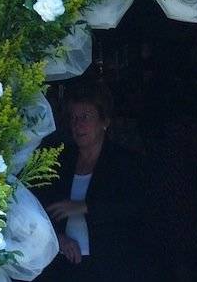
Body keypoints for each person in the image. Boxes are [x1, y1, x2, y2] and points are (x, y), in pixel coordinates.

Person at [36, 89, 146, 282]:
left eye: (85, 117)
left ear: (105, 122)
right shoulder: (61, 161)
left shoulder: (123, 162)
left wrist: (85, 206)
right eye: (73, 118)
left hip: (112, 265)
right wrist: (58, 238)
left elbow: (134, 205)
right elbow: (41, 207)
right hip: (67, 266)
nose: (78, 124)